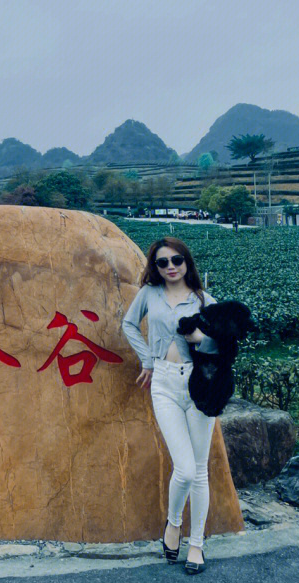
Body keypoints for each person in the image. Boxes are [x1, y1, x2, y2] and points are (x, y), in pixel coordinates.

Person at [121, 237, 218, 575]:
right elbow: (129, 324)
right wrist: (146, 358)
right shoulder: (149, 294)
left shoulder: (205, 301)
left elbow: (224, 345)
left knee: (200, 469)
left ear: (187, 262)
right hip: (163, 383)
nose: (170, 266)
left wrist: (199, 340)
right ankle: (173, 523)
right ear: (155, 267)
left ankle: (196, 545)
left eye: (176, 259)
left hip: (199, 386)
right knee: (186, 469)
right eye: (162, 262)